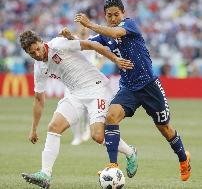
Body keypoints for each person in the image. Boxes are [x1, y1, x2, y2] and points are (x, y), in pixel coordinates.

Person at [74, 0, 191, 181]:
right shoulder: (105, 34)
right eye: (109, 15)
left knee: (165, 129)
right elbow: (87, 43)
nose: (112, 18)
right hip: (128, 88)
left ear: (123, 14)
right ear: (105, 16)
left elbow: (115, 33)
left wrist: (90, 24)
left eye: (116, 15)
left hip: (149, 86)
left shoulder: (129, 25)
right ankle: (113, 165)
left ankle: (184, 159)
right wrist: (67, 40)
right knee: (111, 116)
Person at [19, 30, 136, 189]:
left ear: (41, 41)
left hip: (97, 89)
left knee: (97, 136)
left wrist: (115, 59)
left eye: (38, 49)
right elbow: (39, 100)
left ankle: (130, 152)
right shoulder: (39, 67)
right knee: (54, 127)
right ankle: (45, 174)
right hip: (75, 94)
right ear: (27, 53)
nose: (38, 54)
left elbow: (91, 44)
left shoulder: (58, 44)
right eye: (32, 53)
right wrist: (33, 129)